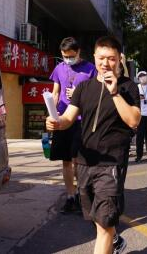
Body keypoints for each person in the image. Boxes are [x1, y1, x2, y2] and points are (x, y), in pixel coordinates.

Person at [46, 36, 141, 254]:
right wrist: (56, 122)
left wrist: (114, 92)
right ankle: (115, 241)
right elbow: (68, 118)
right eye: (101, 58)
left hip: (111, 163)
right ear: (95, 58)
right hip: (84, 161)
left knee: (105, 223)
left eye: (111, 59)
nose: (106, 63)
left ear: (119, 60)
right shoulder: (83, 88)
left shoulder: (128, 87)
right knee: (97, 220)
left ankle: (111, 239)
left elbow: (133, 120)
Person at [49, 37, 96, 214]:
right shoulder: (59, 68)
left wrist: (79, 94)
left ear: (78, 52)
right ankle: (70, 196)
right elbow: (55, 93)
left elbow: (95, 95)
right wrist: (52, 113)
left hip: (81, 122)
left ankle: (82, 195)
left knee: (79, 161)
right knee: (66, 161)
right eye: (64, 56)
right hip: (63, 121)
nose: (68, 59)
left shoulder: (90, 69)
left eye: (71, 56)